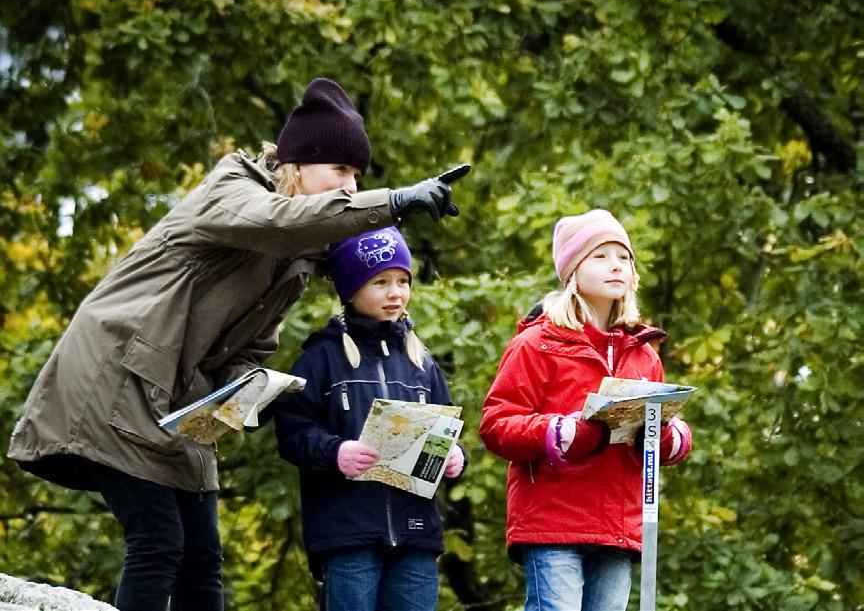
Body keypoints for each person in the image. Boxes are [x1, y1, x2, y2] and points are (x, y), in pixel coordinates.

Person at [8, 77, 470, 611]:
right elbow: (277, 221)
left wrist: (249, 390)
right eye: (340, 170)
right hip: (119, 380)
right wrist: (391, 201)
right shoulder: (232, 188)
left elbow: (253, 345)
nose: (349, 185)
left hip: (184, 402)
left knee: (203, 559)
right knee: (159, 544)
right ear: (297, 163)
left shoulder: (297, 255)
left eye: (358, 176)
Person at [479, 209, 692, 611]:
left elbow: (666, 433)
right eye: (600, 256)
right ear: (573, 271)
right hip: (553, 521)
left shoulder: (644, 354)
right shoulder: (537, 343)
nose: (616, 265)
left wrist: (666, 435)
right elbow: (496, 423)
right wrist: (561, 432)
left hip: (617, 526)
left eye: (624, 257)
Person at [271, 225, 466, 611]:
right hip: (347, 534)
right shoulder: (320, 357)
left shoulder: (421, 362)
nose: (395, 292)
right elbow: (293, 432)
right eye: (380, 282)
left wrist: (455, 456)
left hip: (416, 535)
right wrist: (335, 452)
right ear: (350, 289)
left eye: (402, 281)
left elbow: (447, 428)